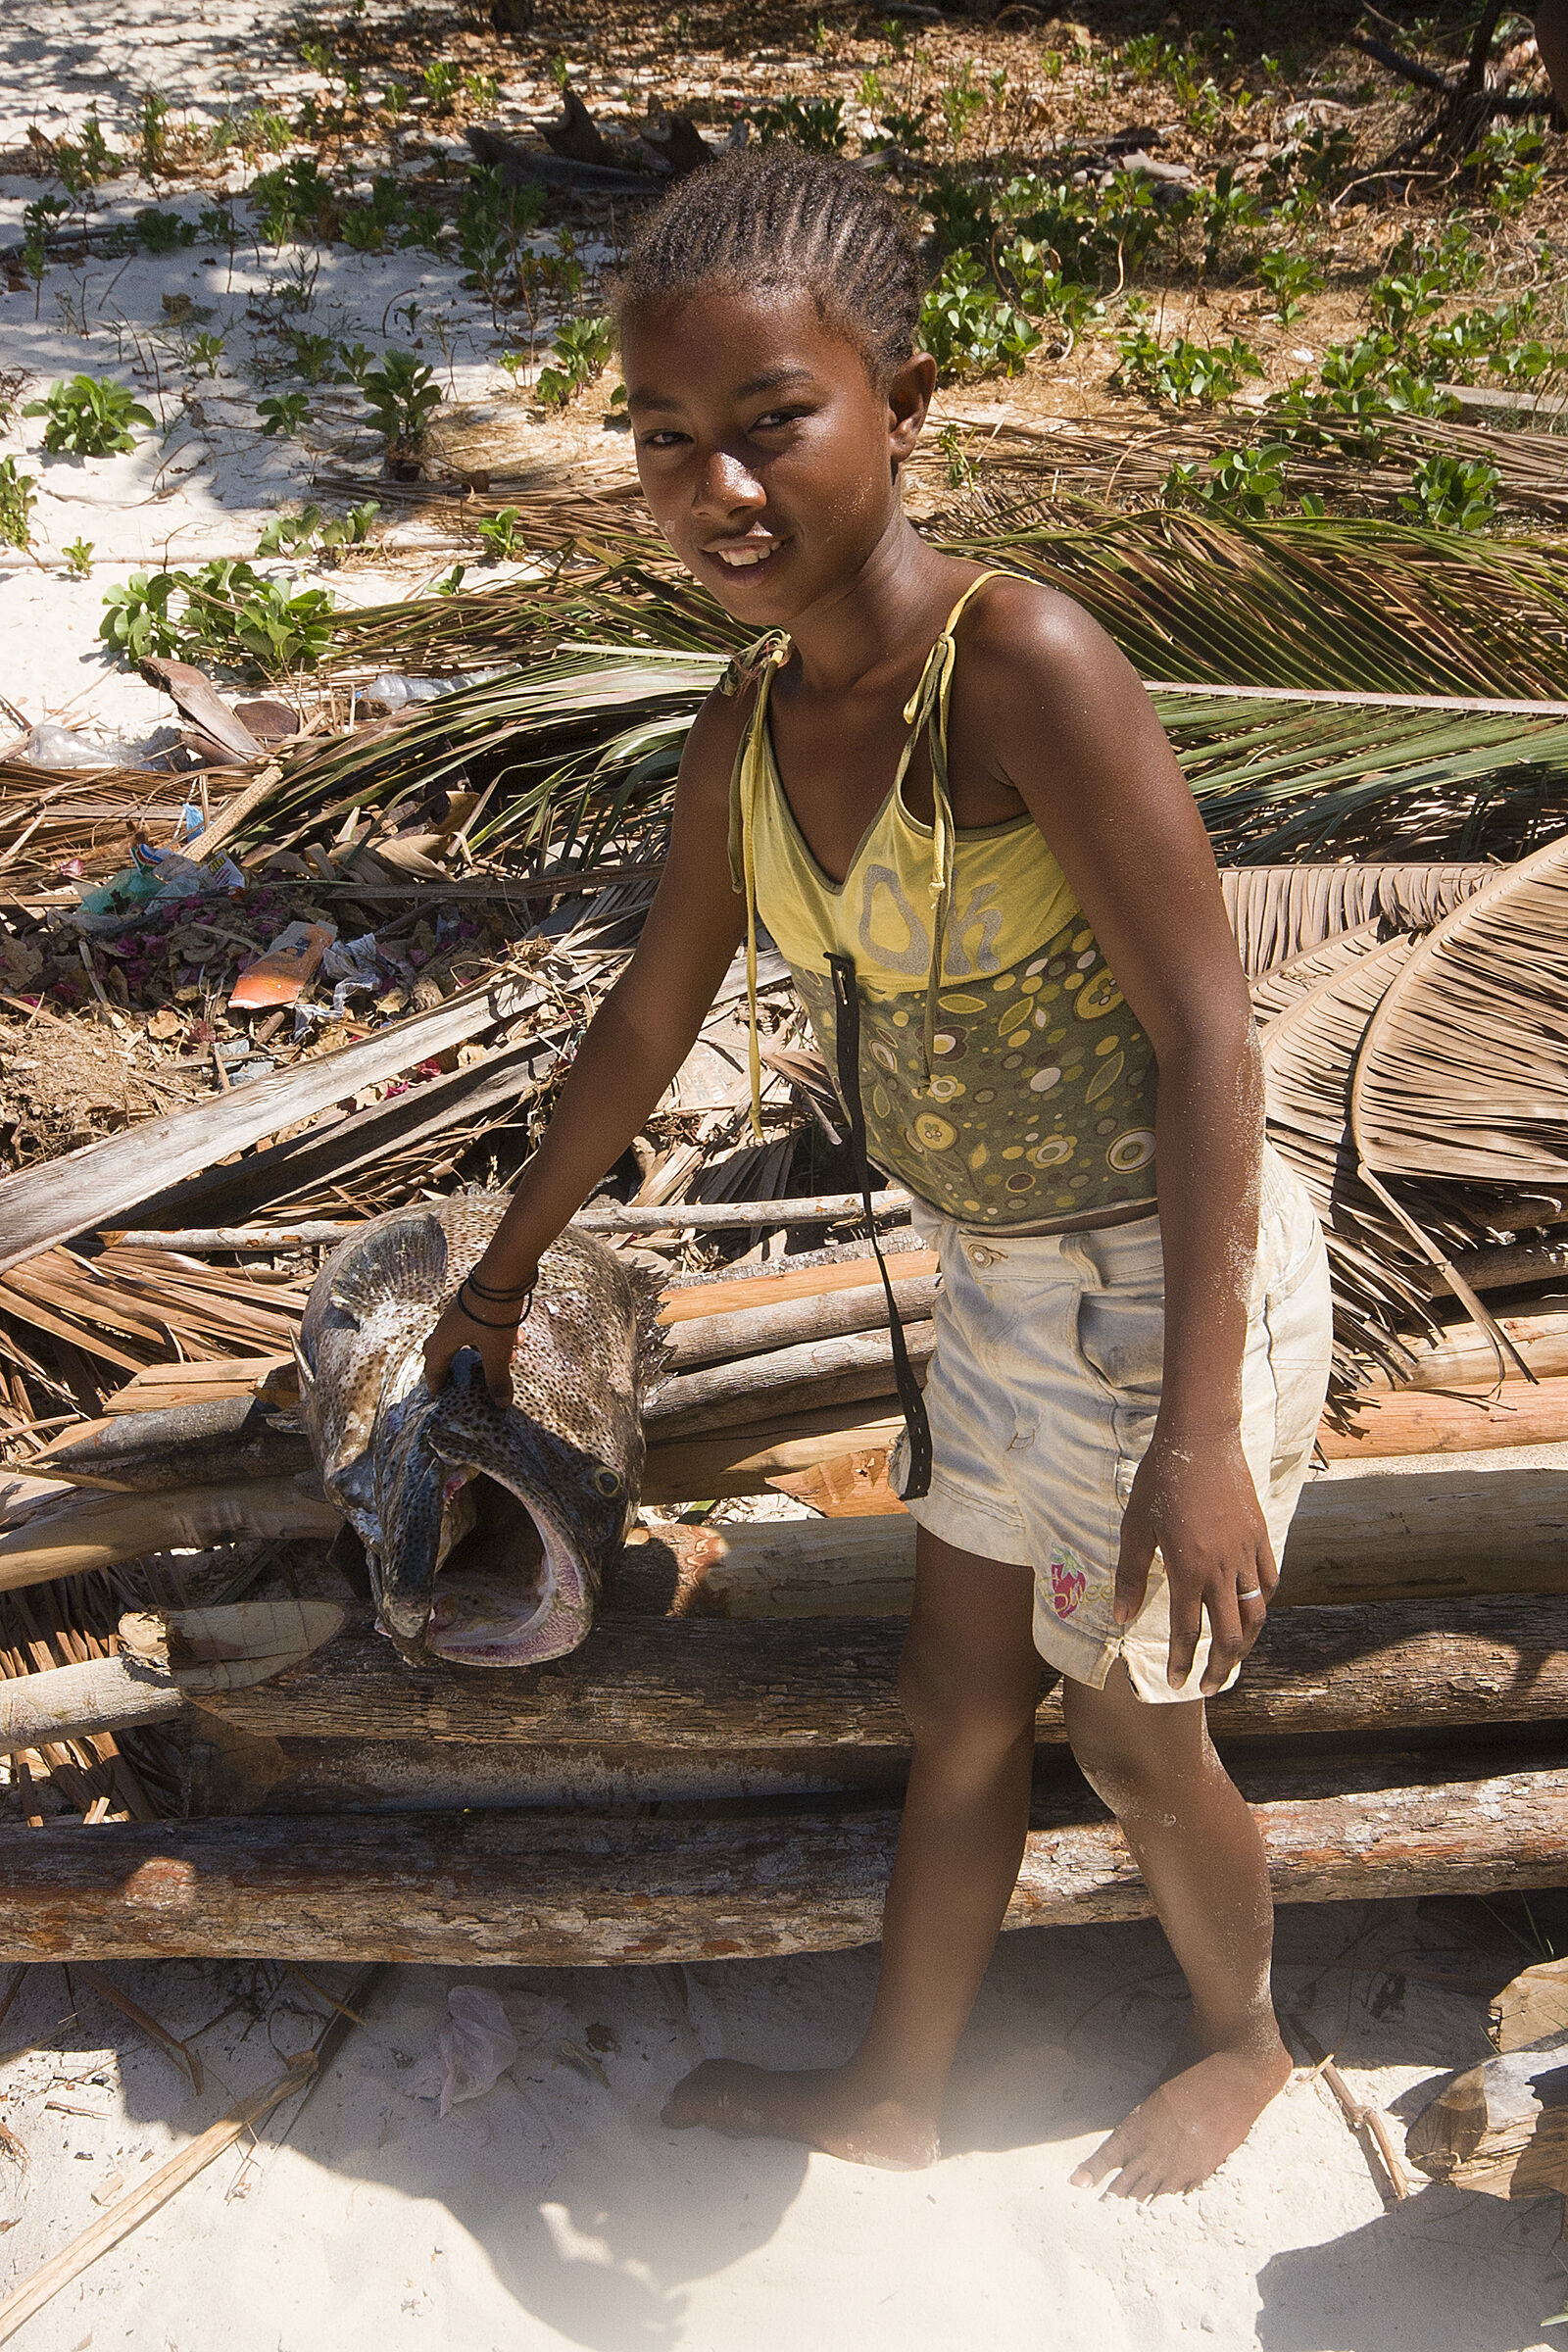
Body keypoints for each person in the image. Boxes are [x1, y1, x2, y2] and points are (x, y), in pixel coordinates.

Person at [421, 145, 1333, 2199]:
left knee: (1126, 1733)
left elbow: (1208, 1041)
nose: (716, 491)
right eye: (666, 443)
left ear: (900, 407)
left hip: (1172, 1287)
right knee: (952, 1710)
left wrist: (1194, 1437)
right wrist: (504, 1271)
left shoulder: (1019, 667)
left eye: (771, 426)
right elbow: (645, 1025)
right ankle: (896, 2094)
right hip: (1001, 1286)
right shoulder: (742, 731)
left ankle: (1246, 2041)